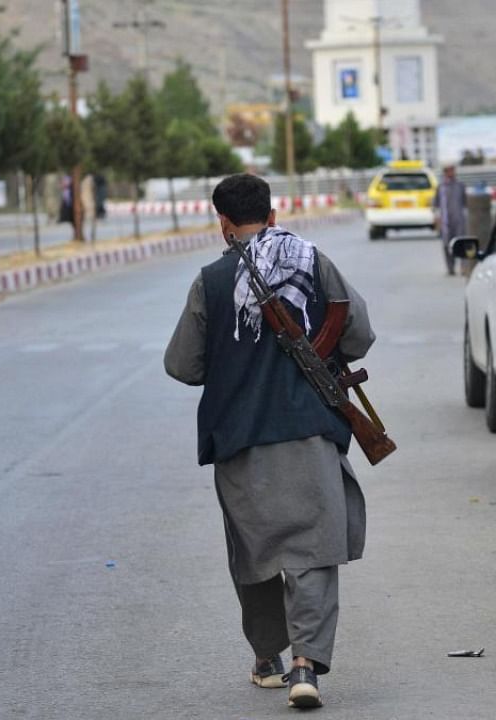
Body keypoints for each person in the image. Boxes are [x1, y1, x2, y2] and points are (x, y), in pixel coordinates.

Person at [164, 173, 374, 710]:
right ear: (273, 214)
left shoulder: (210, 280)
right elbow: (359, 335)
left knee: (255, 553)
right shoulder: (312, 259)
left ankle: (268, 658)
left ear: (223, 223)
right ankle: (308, 664)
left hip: (240, 437)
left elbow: (183, 365)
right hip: (310, 430)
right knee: (312, 552)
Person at [433, 165, 468, 275]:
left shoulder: (460, 186)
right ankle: (450, 268)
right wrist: (437, 220)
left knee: (461, 243)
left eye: (452, 171)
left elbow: (466, 203)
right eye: (448, 171)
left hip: (459, 220)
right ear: (445, 173)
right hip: (445, 222)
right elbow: (436, 205)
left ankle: (463, 267)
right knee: (446, 245)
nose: (451, 173)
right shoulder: (441, 187)